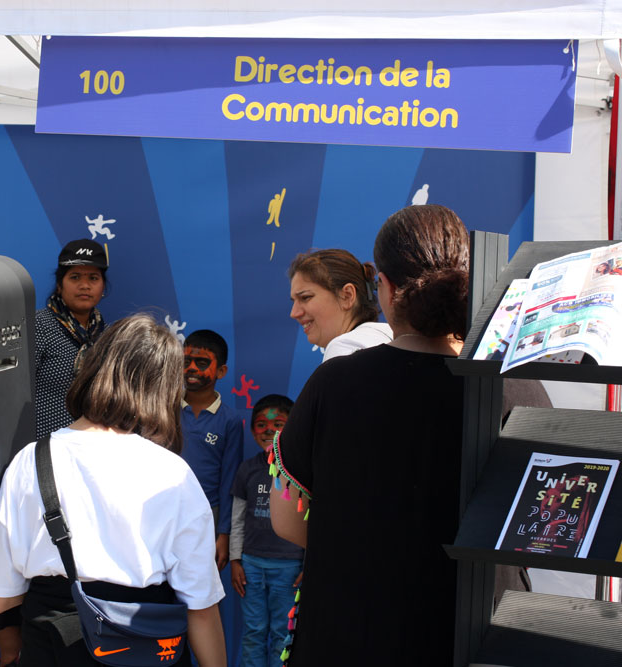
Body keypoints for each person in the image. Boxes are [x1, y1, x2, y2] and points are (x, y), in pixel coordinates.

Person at [270, 204, 470, 665]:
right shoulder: (515, 384)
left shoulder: (334, 382)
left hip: (353, 625)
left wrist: (354, 537)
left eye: (305, 298)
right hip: (470, 629)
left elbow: (286, 517)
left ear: (384, 287)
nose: (297, 311)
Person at [0, 314, 227, 666]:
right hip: (147, 646)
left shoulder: (30, 462)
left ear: (94, 368)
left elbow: (0, 598)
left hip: (52, 644)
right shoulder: (173, 473)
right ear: (162, 391)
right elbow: (201, 607)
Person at [229, 394, 303, 667]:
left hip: (289, 569)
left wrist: (309, 563)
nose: (269, 430)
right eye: (261, 424)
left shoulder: (302, 471)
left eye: (279, 423)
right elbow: (237, 519)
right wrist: (236, 559)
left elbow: (313, 522)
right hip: (251, 567)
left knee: (283, 635)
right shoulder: (247, 470)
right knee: (254, 632)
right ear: (252, 430)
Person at [181, 329, 244, 571]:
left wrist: (224, 533)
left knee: (203, 589)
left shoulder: (229, 421)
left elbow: (231, 480)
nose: (192, 368)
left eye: (202, 362)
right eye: (186, 362)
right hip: (165, 511)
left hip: (208, 514)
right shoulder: (163, 409)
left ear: (221, 371)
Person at [34, 239, 108, 438]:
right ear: (59, 285)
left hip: (93, 449)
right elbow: (16, 393)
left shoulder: (107, 336)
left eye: (93, 278)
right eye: (75, 277)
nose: (84, 285)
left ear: (103, 287)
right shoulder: (39, 325)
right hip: (46, 447)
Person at [288, 248, 392, 361]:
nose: (294, 313)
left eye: (305, 297)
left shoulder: (344, 347)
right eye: (294, 301)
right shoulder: (396, 339)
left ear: (347, 296)